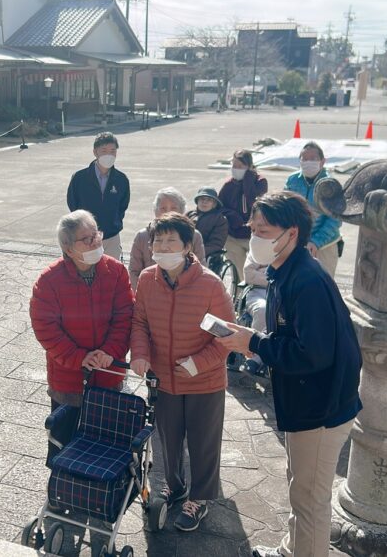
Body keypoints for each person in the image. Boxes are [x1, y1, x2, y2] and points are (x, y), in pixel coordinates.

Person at [216, 191, 362, 557]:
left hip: (321, 408)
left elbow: (310, 353)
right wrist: (253, 340)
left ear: (291, 233)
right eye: (253, 228)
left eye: (264, 230)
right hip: (307, 403)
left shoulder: (307, 280)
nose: (255, 237)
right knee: (301, 488)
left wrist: (254, 342)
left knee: (310, 500)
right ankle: (290, 550)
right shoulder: (285, 270)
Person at [130, 212, 235, 532]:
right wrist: (141, 354)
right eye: (156, 241)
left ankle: (200, 499)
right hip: (163, 378)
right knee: (170, 439)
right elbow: (140, 323)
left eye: (170, 241)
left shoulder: (210, 286)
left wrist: (197, 363)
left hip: (205, 381)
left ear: (188, 245)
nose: (161, 247)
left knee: (203, 442)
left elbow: (228, 336)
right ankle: (175, 487)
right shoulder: (148, 278)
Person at [30, 210, 134, 466]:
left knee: (104, 441)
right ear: (67, 246)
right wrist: (81, 358)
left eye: (96, 234)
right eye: (86, 239)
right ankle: (60, 490)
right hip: (68, 378)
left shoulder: (116, 271)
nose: (96, 242)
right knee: (63, 440)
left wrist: (109, 352)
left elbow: (125, 317)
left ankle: (97, 495)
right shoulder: (49, 280)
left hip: (109, 372)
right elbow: (45, 328)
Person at [66, 132, 130, 260]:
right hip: (85, 237)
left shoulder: (121, 179)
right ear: (95, 152)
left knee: (112, 273)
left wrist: (113, 222)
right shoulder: (80, 178)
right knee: (87, 272)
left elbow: (123, 206)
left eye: (113, 150)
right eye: (104, 150)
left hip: (111, 237)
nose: (109, 154)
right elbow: (73, 204)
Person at [128, 187, 205, 290]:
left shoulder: (194, 236)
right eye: (163, 208)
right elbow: (133, 272)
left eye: (174, 208)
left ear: (182, 211)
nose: (168, 212)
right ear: (155, 211)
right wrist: (143, 293)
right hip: (149, 293)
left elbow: (201, 270)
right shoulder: (142, 236)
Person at [285, 141, 342, 278]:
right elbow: (285, 209)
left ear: (322, 162)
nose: (308, 162)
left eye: (313, 159)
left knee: (324, 286)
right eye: (304, 159)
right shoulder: (292, 180)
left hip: (324, 246)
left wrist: (315, 242)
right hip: (297, 244)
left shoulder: (331, 184)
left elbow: (335, 220)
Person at [218, 149, 267, 283]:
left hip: (254, 235)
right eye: (234, 165)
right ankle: (240, 299)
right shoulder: (228, 185)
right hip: (233, 235)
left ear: (250, 167)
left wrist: (248, 181)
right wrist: (231, 215)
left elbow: (255, 202)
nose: (236, 169)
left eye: (240, 166)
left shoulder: (260, 181)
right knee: (239, 273)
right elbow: (219, 206)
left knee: (257, 269)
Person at [237, 252, 269, 377]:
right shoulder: (259, 249)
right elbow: (249, 275)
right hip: (257, 292)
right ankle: (254, 357)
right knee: (263, 309)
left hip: (284, 293)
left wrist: (262, 274)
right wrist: (274, 279)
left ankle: (259, 359)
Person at [187, 187, 229, 270]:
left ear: (214, 204)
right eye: (202, 199)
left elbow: (216, 243)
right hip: (185, 250)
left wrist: (197, 252)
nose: (205, 202)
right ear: (197, 201)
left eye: (209, 200)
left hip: (205, 254)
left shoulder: (220, 219)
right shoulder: (190, 215)